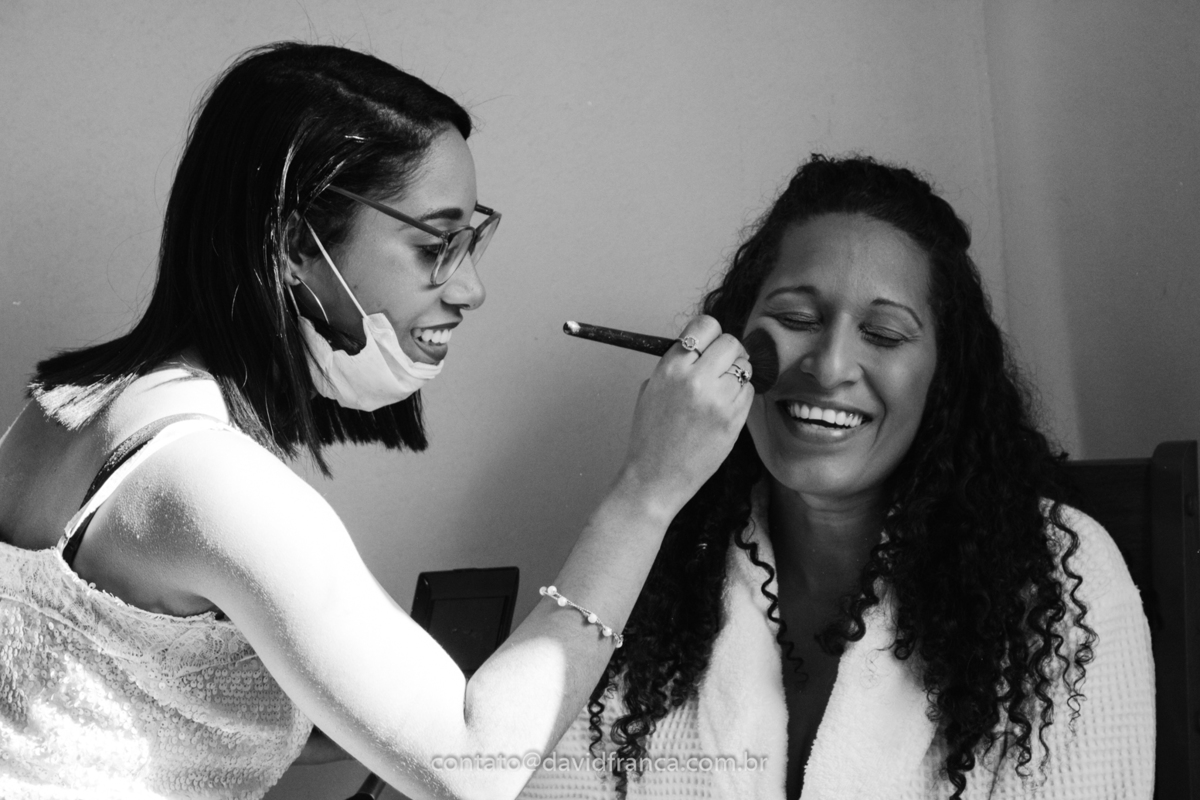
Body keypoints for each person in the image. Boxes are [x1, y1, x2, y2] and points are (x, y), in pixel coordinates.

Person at [0, 42, 756, 799]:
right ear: (296, 245)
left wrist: (367, 715)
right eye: (434, 245)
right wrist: (648, 491)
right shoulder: (211, 480)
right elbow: (476, 768)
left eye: (471, 240)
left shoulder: (69, 404)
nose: (471, 289)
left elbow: (109, 718)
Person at [520, 155, 1155, 799]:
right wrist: (643, 493)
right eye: (798, 320)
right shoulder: (652, 560)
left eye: (883, 334)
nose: (828, 368)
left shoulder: (1056, 581)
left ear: (943, 378)